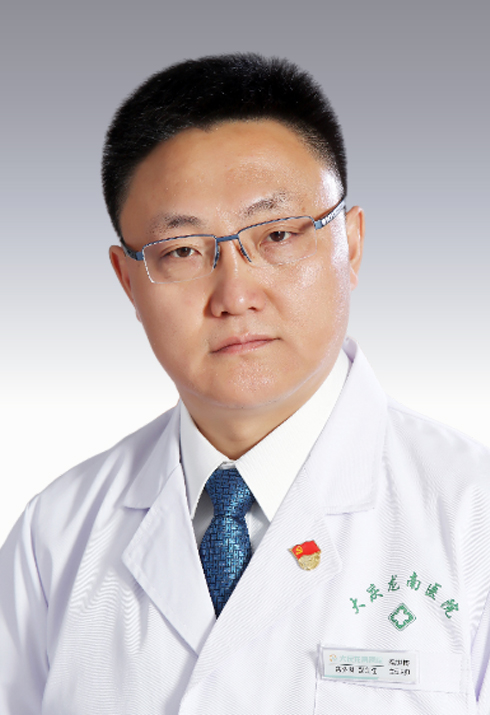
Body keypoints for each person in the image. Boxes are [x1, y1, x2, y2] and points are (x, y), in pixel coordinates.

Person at [1, 53, 489, 715]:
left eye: (278, 234)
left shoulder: (473, 519)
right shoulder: (55, 537)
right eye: (182, 251)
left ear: (350, 243)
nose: (234, 294)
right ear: (128, 281)